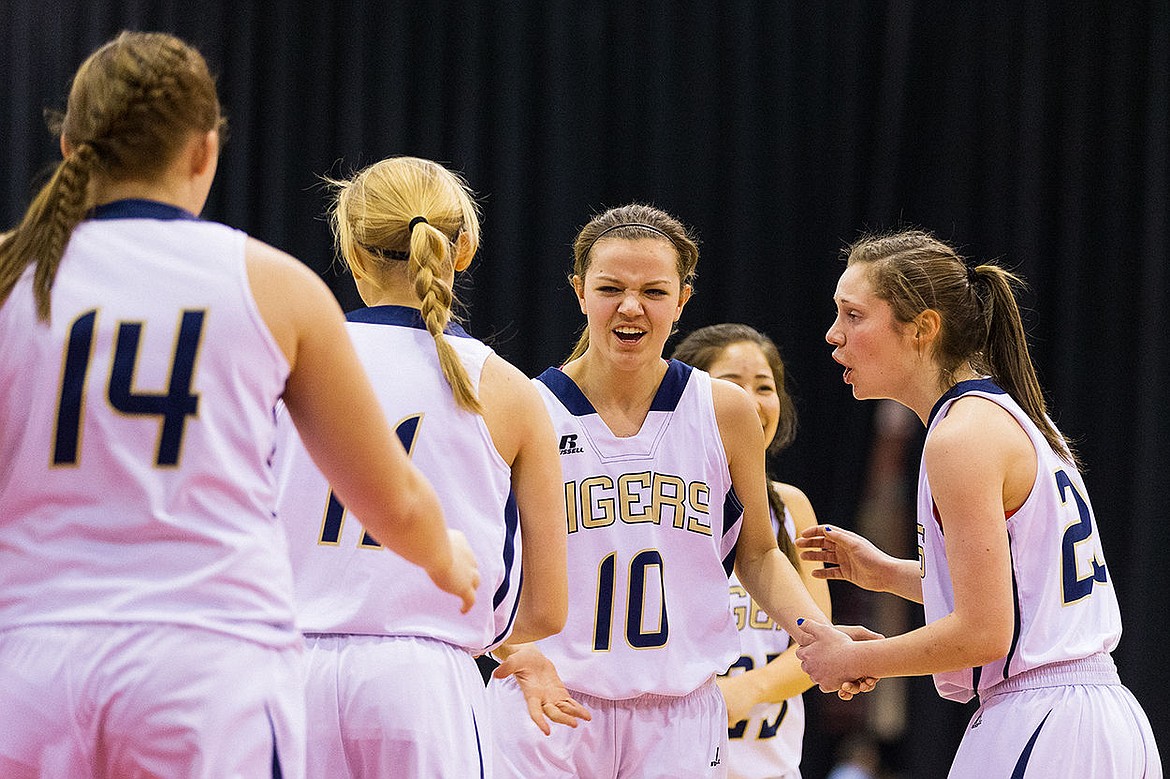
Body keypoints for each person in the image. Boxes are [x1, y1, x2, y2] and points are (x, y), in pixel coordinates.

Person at [0, 32, 476, 779]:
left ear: (69, 146)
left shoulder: (9, 274)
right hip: (203, 664)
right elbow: (388, 494)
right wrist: (447, 559)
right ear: (203, 152)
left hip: (32, 662)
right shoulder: (271, 284)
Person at [485, 204, 860, 779]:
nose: (630, 306)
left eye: (653, 291)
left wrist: (820, 635)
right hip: (550, 699)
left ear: (682, 299)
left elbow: (757, 553)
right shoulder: (526, 406)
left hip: (678, 713)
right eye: (610, 287)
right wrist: (515, 651)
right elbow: (482, 557)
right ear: (578, 291)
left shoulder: (723, 410)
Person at [796, 229, 1162, 776]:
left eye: (853, 315)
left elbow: (984, 632)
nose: (833, 334)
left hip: (1047, 720)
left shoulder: (960, 437)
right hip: (1089, 718)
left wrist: (855, 658)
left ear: (922, 328)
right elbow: (1024, 589)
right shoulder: (1002, 414)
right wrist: (888, 573)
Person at [271, 155, 570, 778]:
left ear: (351, 250)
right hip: (425, 681)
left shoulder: (284, 361)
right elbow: (547, 607)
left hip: (286, 668)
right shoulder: (511, 389)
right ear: (463, 249)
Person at [672, 323, 831, 779]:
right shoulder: (661, 502)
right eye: (732, 384)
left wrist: (749, 689)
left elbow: (817, 645)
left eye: (764, 387)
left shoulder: (792, 505)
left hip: (771, 767)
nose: (750, 401)